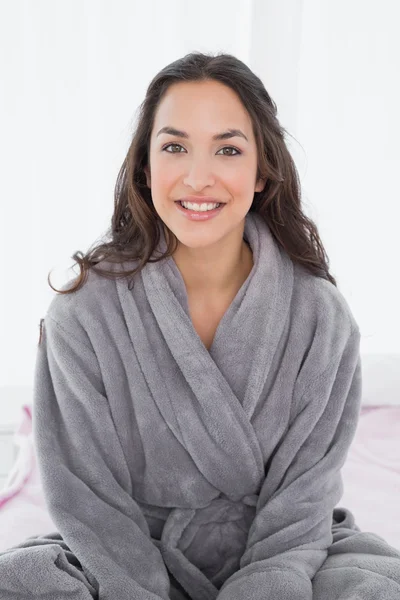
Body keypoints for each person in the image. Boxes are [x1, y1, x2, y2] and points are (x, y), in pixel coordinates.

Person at [1, 51, 400, 600]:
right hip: (123, 556)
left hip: (286, 554)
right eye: (174, 147)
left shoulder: (319, 316)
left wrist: (266, 586)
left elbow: (301, 503)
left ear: (262, 171)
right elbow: (87, 499)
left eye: (228, 149)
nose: (197, 176)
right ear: (145, 166)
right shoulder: (84, 314)